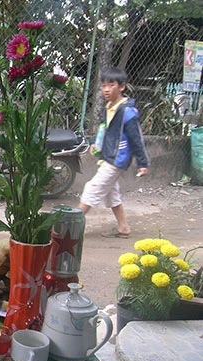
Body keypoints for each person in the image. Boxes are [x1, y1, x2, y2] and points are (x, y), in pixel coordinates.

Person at [78, 67, 149, 238]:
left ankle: (67, 227)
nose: (106, 89)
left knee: (91, 188)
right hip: (108, 157)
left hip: (117, 159)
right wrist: (95, 143)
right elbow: (103, 128)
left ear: (122, 87)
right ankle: (123, 228)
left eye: (111, 85)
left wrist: (142, 163)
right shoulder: (110, 107)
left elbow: (136, 139)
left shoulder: (127, 112)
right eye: (103, 86)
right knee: (112, 195)